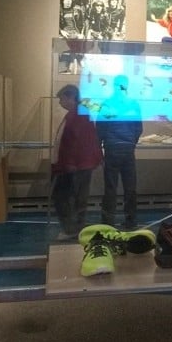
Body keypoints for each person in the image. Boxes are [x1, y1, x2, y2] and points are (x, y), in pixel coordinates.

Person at [51, 84, 103, 240]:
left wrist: (69, 163)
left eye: (62, 99)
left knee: (66, 197)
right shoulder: (81, 113)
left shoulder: (77, 115)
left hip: (75, 165)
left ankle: (71, 229)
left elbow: (76, 142)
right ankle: (76, 228)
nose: (60, 102)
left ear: (71, 97)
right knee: (77, 197)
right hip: (80, 164)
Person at [96, 75, 143, 229]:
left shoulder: (107, 103)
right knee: (130, 187)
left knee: (110, 186)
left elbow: (100, 128)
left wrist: (100, 146)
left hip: (111, 148)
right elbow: (138, 128)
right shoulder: (133, 103)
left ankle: (108, 221)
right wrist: (131, 142)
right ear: (127, 85)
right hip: (128, 148)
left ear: (114, 85)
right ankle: (131, 220)